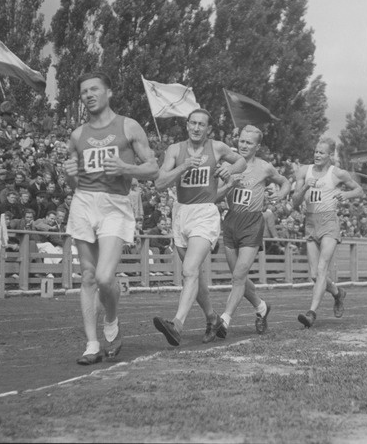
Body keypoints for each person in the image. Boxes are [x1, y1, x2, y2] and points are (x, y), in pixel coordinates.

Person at [63, 72, 158, 365]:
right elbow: (72, 182)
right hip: (83, 203)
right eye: (83, 92)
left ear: (109, 93)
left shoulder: (128, 126)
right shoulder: (77, 135)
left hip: (115, 204)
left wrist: (124, 168)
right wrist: (69, 178)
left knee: (106, 277)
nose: (88, 95)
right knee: (89, 276)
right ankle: (91, 344)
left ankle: (112, 319)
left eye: (94, 89)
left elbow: (153, 168)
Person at [151, 109, 245, 346]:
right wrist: (183, 167)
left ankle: (177, 324)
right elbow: (160, 184)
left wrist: (229, 170)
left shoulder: (217, 148)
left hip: (205, 213)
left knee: (190, 270)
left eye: (201, 124)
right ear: (187, 125)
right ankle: (213, 319)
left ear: (207, 129)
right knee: (194, 276)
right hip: (181, 213)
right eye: (192, 123)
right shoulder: (175, 150)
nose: (196, 128)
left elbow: (242, 161)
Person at [208, 125, 291, 340]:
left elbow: (285, 182)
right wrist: (228, 186)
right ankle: (261, 306)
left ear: (257, 146)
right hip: (231, 221)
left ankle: (225, 319)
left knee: (238, 276)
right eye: (242, 141)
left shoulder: (264, 167)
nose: (244, 145)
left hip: (252, 223)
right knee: (239, 276)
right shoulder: (227, 165)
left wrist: (280, 195)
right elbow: (214, 197)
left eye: (249, 143)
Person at [292, 137, 363, 328]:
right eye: (315, 151)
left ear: (330, 155)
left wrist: (346, 194)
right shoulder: (304, 171)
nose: (317, 155)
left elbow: (359, 190)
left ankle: (311, 313)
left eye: (321, 152)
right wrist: (306, 185)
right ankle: (338, 293)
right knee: (315, 276)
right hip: (310, 222)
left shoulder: (337, 173)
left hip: (329, 222)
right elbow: (294, 202)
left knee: (323, 269)